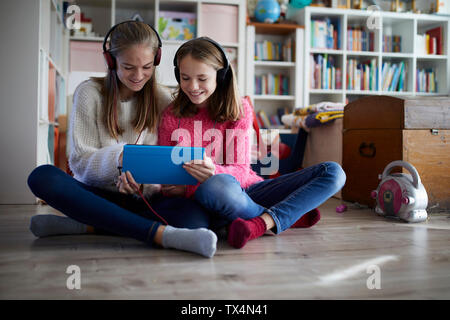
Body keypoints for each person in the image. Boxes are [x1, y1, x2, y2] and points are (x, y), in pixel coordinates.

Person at [27, 21, 217, 258]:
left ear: (156, 60)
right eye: (128, 67)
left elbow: (168, 160)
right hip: (96, 195)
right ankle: (160, 235)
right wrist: (118, 158)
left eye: (147, 66)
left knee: (195, 220)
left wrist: (148, 186)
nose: (138, 76)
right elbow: (79, 163)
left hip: (143, 199)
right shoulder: (89, 93)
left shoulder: (163, 99)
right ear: (111, 62)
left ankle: (89, 225)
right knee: (43, 177)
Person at [158, 37, 346, 249]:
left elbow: (240, 169)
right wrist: (184, 188)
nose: (193, 86)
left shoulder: (240, 109)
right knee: (216, 187)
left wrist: (214, 171)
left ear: (221, 76)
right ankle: (286, 216)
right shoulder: (171, 116)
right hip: (207, 198)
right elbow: (167, 175)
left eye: (202, 78)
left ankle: (261, 223)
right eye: (185, 78)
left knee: (334, 172)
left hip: (250, 190)